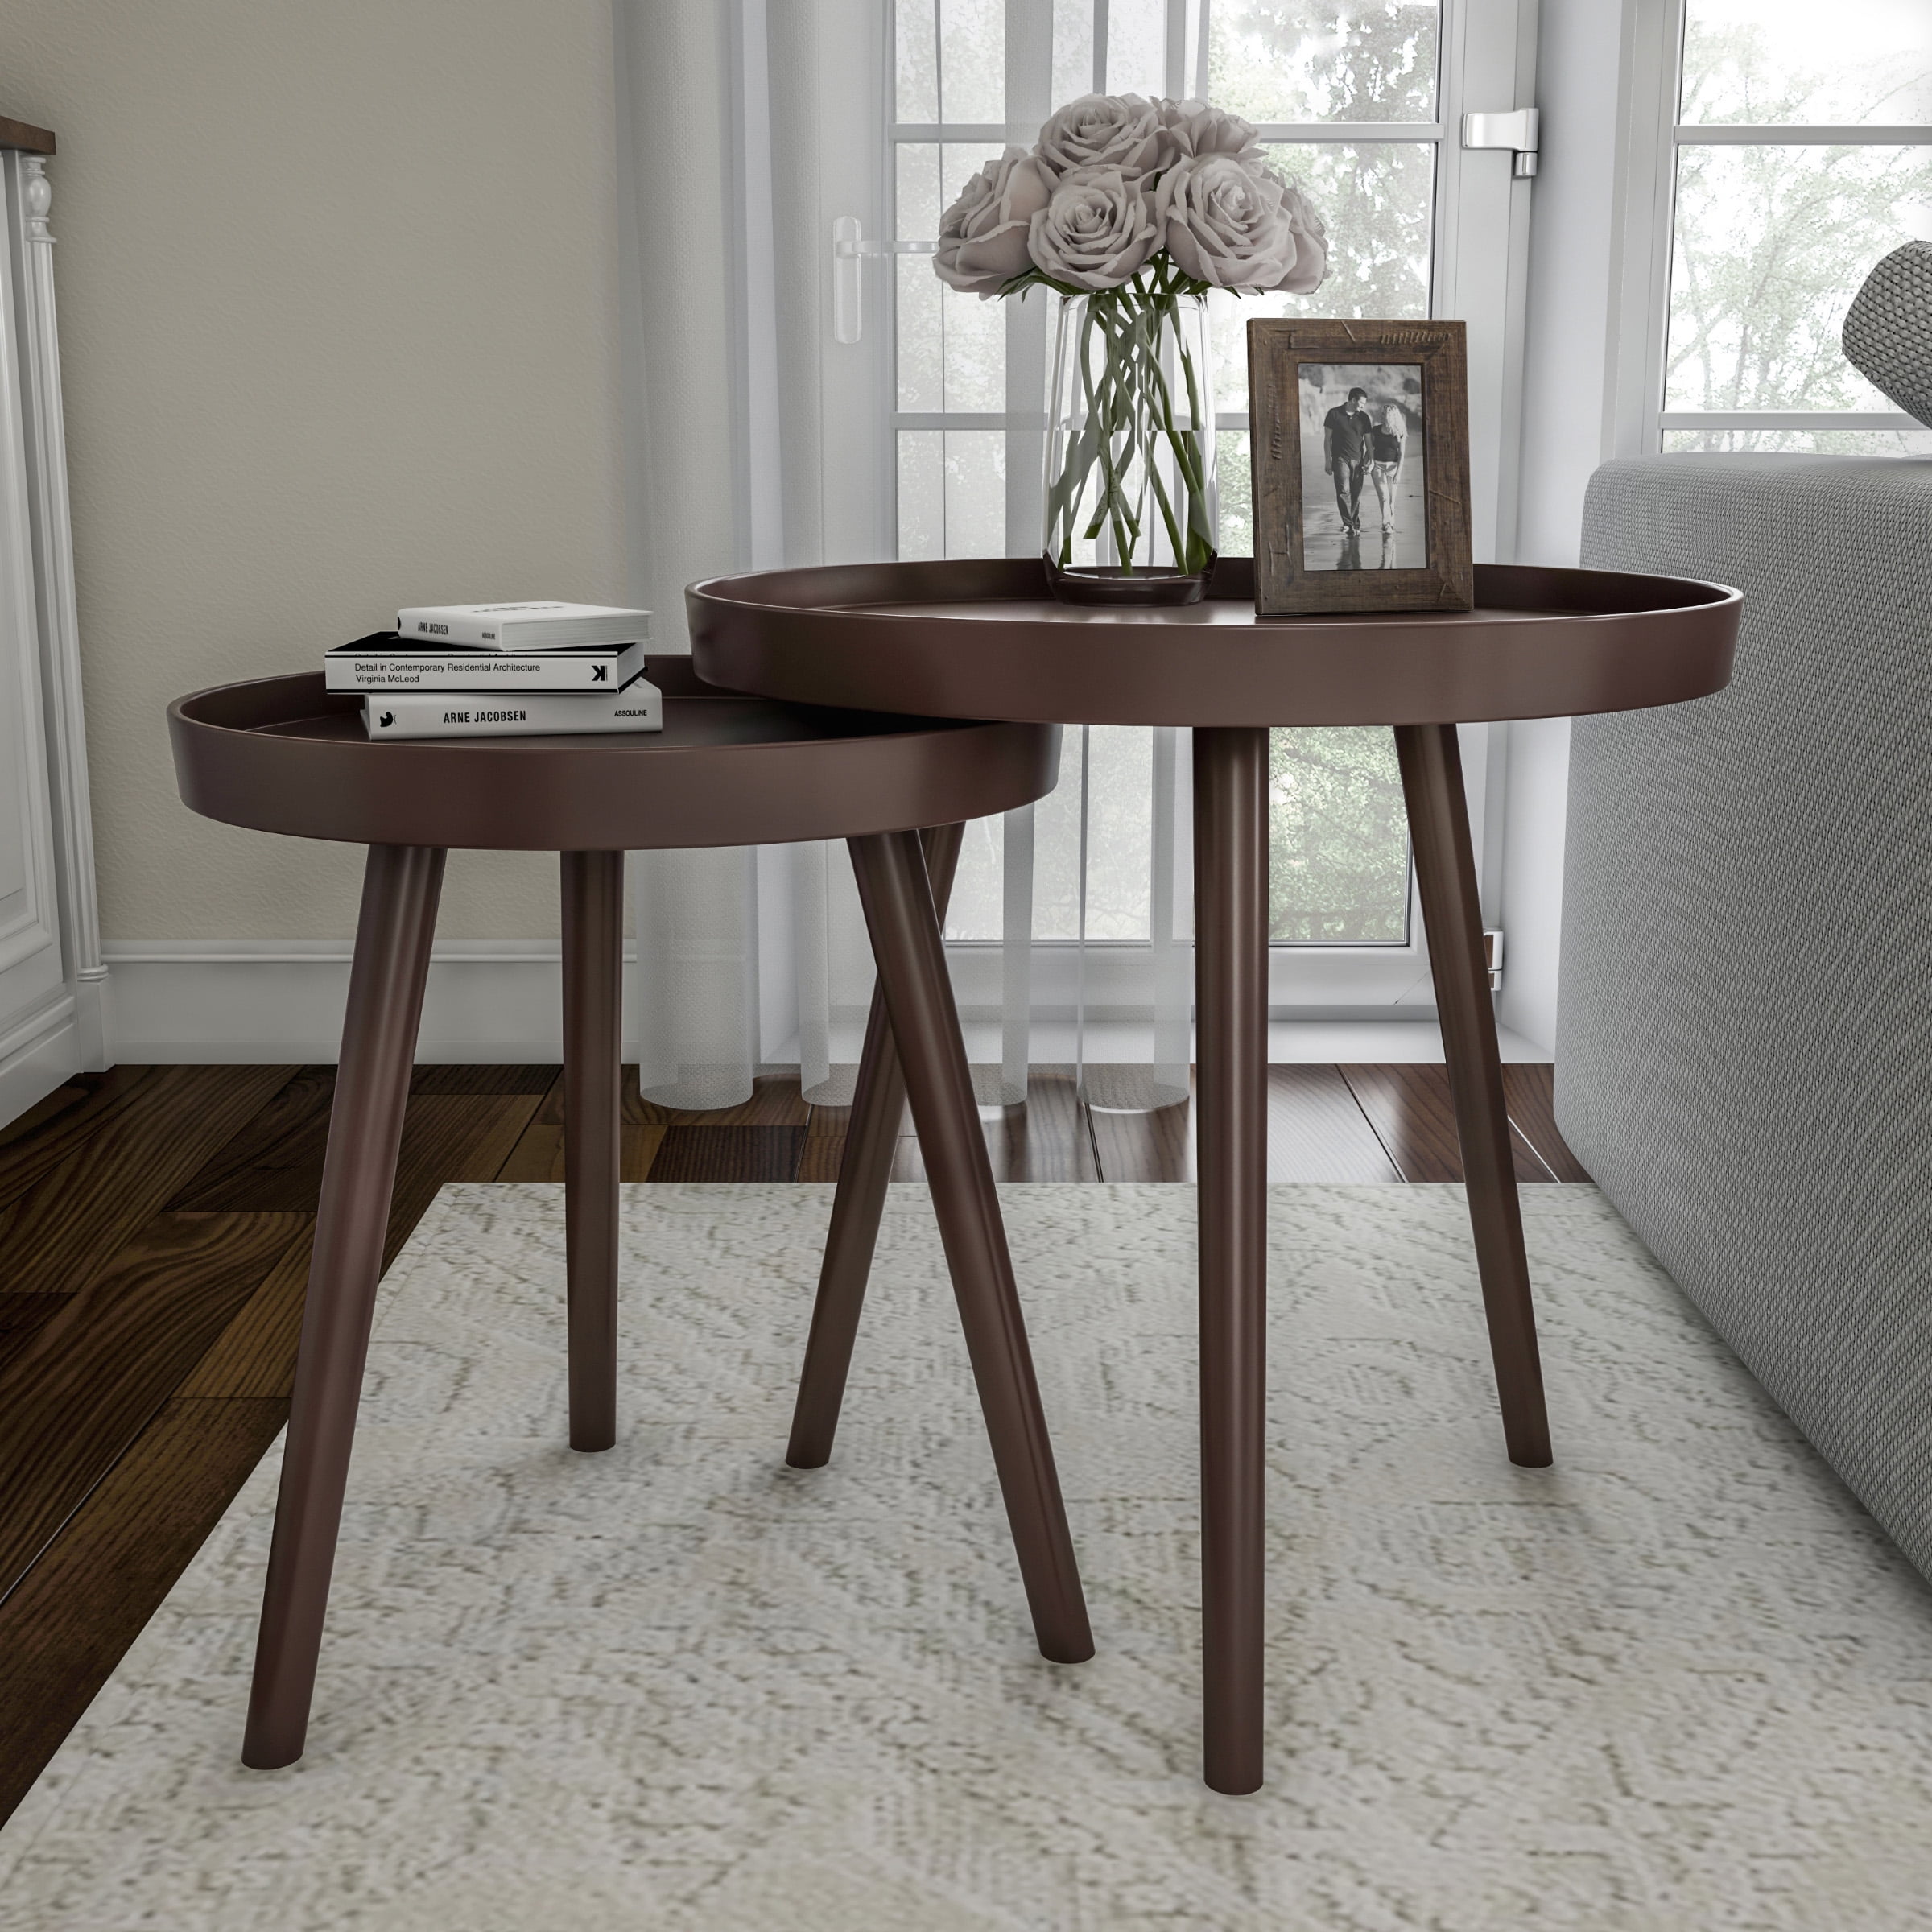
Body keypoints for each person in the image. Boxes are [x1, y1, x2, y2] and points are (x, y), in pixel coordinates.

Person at [1322, 386, 1372, 533]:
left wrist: (1372, 460)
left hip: (1358, 460)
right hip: (1340, 459)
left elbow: (1368, 441)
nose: (1363, 406)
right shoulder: (1334, 414)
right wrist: (1327, 461)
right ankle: (1348, 523)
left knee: (1356, 493)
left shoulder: (1363, 417)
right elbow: (1327, 440)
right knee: (1343, 491)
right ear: (1353, 400)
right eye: (1361, 403)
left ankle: (1355, 524)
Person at [1368, 399, 1407, 535]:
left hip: (1393, 468)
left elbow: (1402, 454)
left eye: (1383, 413)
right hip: (1378, 467)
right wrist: (1368, 462)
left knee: (1391, 500)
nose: (1380, 415)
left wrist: (1398, 474)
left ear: (1390, 415)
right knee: (1384, 497)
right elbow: (1370, 448)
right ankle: (1386, 525)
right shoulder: (1376, 430)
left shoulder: (1400, 432)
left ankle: (1391, 523)